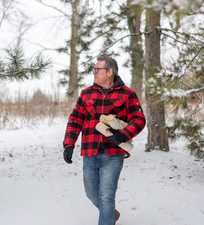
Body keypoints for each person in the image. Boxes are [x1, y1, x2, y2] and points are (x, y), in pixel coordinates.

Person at [62, 56, 146, 225]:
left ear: (109, 72)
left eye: (97, 69)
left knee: (107, 196)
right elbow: (75, 119)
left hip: (113, 154)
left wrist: (124, 134)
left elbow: (139, 119)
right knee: (91, 193)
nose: (93, 72)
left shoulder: (128, 94)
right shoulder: (86, 94)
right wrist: (69, 144)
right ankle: (111, 214)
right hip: (90, 152)